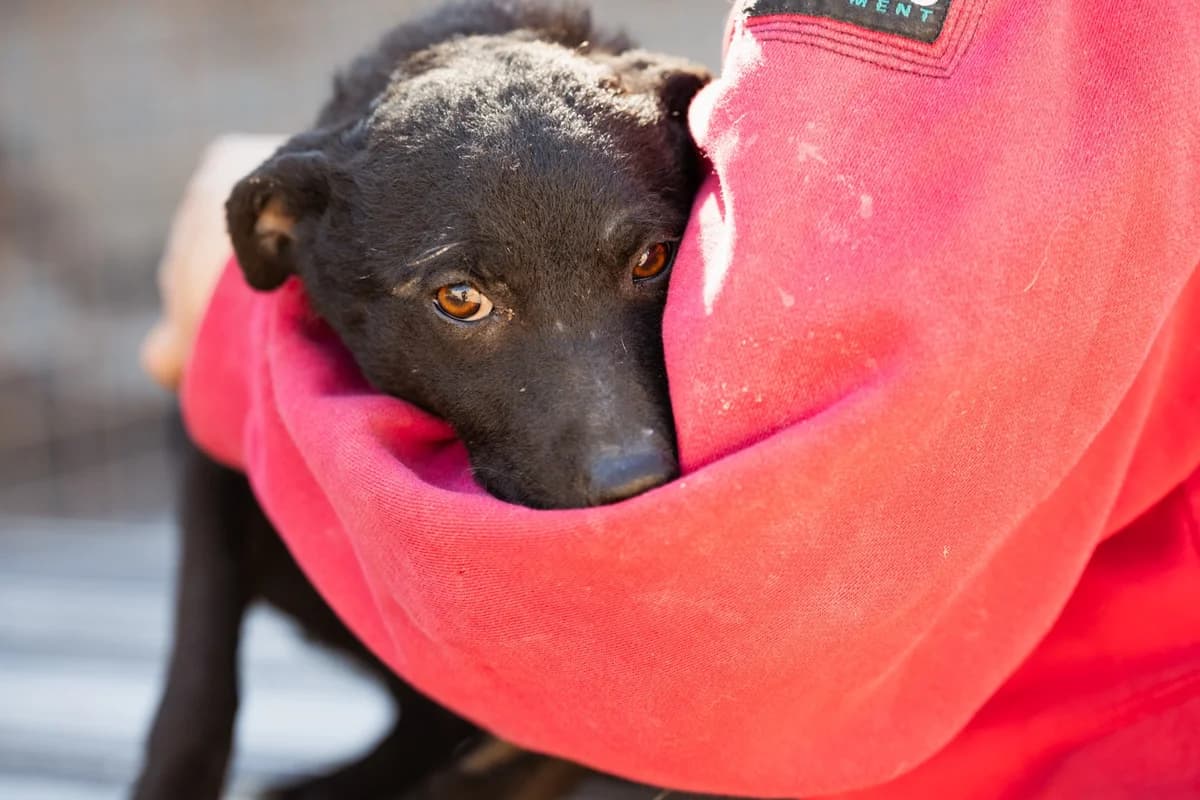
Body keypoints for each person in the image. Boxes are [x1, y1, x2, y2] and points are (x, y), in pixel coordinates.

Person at [146, 1, 1200, 797]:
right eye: (466, 298)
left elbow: (701, 607)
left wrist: (230, 331)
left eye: (650, 260)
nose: (624, 448)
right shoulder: (366, 197)